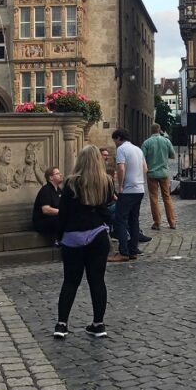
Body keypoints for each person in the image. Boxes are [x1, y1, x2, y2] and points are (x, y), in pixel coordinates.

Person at [54, 145, 115, 340]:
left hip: (73, 237)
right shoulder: (106, 182)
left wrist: (58, 236)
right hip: (97, 235)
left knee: (70, 281)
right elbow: (106, 209)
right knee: (97, 281)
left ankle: (62, 324)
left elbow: (63, 214)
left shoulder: (71, 183)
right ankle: (98, 324)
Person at [110, 129, 146, 263]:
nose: (115, 144)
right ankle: (133, 251)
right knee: (134, 220)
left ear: (119, 138)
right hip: (140, 188)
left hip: (128, 189)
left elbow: (121, 168)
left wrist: (120, 185)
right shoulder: (138, 149)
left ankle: (123, 252)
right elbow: (145, 169)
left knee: (120, 219)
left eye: (115, 141)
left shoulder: (121, 149)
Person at [142, 124, 176, 231]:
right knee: (167, 197)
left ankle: (157, 223)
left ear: (151, 131)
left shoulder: (146, 142)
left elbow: (142, 158)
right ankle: (172, 222)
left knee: (154, 198)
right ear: (160, 130)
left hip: (152, 173)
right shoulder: (166, 141)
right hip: (164, 173)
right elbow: (173, 155)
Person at [32, 166, 63, 242]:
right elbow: (46, 210)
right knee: (62, 220)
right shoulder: (46, 190)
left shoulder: (59, 191)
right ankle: (58, 241)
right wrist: (63, 212)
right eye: (57, 173)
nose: (61, 175)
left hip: (54, 219)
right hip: (42, 221)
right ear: (51, 178)